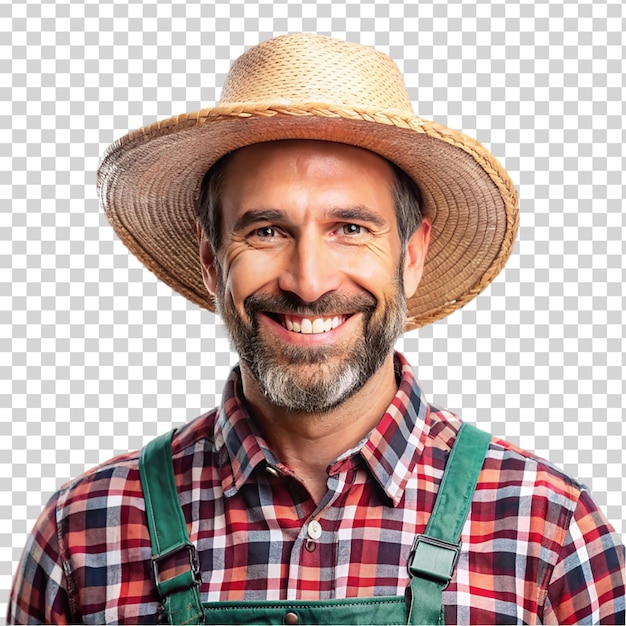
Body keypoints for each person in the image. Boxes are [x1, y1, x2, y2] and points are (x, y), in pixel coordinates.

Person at [8, 33, 624, 626]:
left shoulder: (550, 531)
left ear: (411, 254)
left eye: (351, 228)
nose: (307, 282)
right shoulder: (83, 534)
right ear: (210, 257)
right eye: (266, 231)